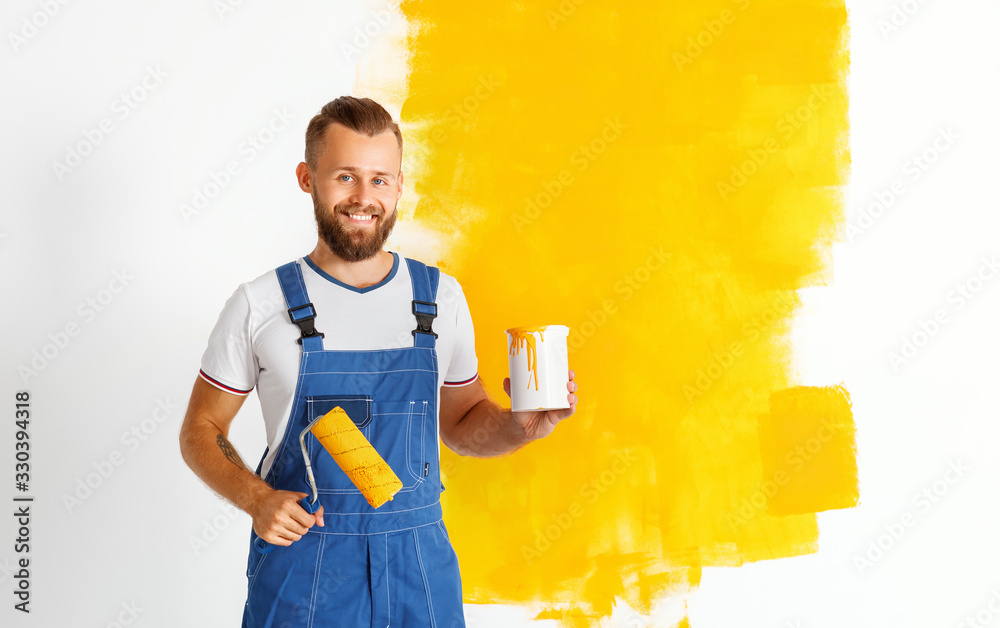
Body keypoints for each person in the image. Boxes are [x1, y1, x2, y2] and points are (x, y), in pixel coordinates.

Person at [178, 95, 579, 627]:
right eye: (345, 176)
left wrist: (519, 427)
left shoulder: (439, 299)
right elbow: (200, 429)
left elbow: (461, 423)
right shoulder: (260, 303)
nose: (363, 197)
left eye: (380, 179)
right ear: (307, 177)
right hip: (306, 569)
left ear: (399, 185)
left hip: (420, 570)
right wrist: (256, 499)